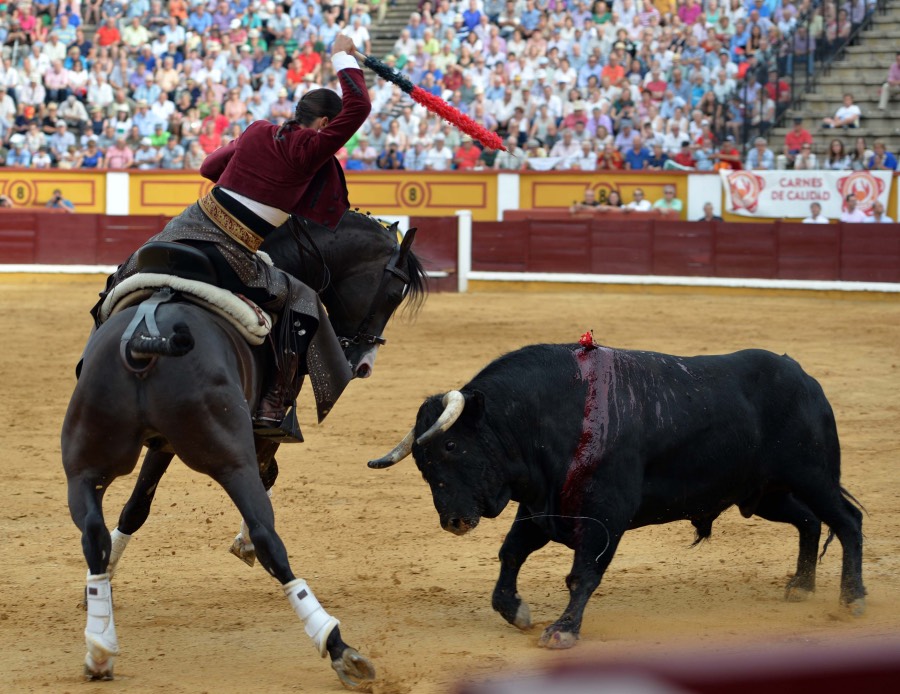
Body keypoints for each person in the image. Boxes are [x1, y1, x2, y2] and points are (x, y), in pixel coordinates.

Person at [89, 35, 371, 436]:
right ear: (326, 124)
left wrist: (248, 171)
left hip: (179, 229)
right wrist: (342, 54)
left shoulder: (257, 129)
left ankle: (90, 365)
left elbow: (208, 167)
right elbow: (360, 106)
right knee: (304, 302)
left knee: (120, 279)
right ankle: (274, 404)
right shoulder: (311, 149)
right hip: (231, 251)